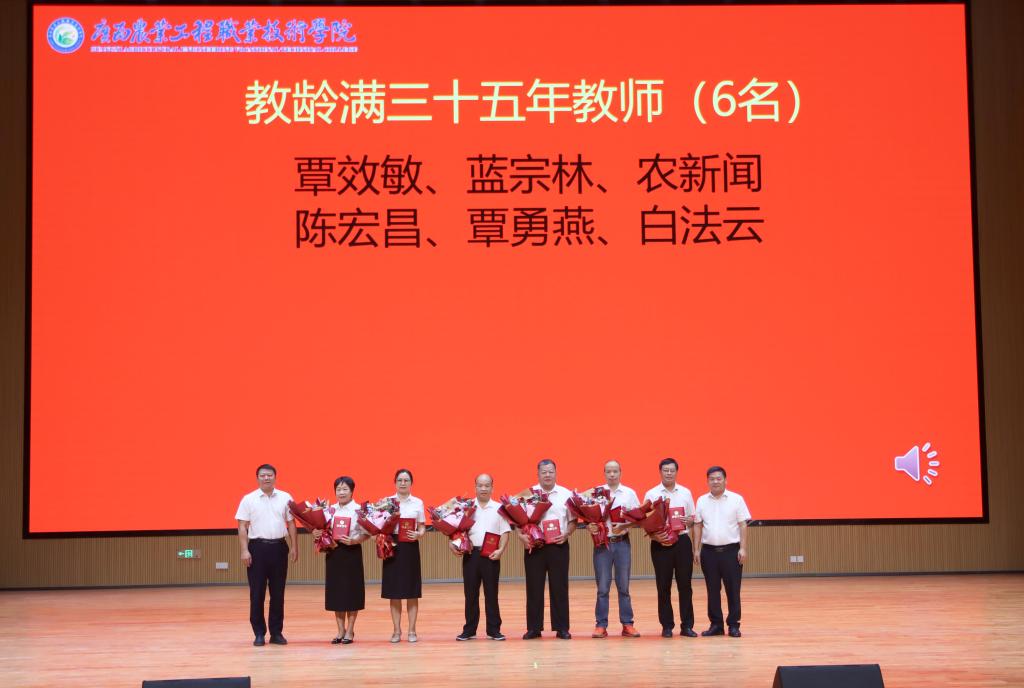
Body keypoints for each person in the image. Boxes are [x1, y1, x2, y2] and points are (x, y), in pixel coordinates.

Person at [235, 463, 298, 646]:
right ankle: (259, 633)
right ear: (257, 478)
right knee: (257, 593)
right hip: (257, 549)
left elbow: (291, 524)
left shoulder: (285, 497)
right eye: (263, 475)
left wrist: (294, 546)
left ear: (275, 477)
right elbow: (242, 526)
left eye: (269, 475)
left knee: (278, 593)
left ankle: (276, 633)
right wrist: (244, 550)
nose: (266, 478)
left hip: (279, 547)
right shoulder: (248, 499)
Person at [693, 465, 751, 638]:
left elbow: (742, 524)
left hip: (731, 551)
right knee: (712, 590)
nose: (715, 482)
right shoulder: (701, 500)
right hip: (708, 552)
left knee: (733, 589)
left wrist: (743, 548)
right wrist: (696, 550)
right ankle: (716, 624)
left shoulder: (736, 499)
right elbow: (697, 525)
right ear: (707, 481)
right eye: (712, 479)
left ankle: (733, 625)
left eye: (719, 478)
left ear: (725, 480)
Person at [520, 458, 575, 640]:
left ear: (556, 473)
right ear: (538, 474)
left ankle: (562, 628)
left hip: (558, 545)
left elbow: (573, 521)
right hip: (535, 546)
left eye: (551, 471)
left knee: (560, 587)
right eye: (544, 472)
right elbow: (518, 520)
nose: (547, 475)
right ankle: (534, 628)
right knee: (533, 587)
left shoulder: (566, 494)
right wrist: (522, 537)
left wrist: (566, 534)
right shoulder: (529, 494)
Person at [643, 457, 697, 638]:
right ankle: (667, 626)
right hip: (660, 543)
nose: (668, 473)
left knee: (685, 585)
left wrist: (689, 521)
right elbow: (645, 522)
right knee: (663, 586)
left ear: (676, 472)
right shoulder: (651, 494)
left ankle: (687, 625)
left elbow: (692, 518)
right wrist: (654, 536)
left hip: (682, 542)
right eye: (665, 470)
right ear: (660, 472)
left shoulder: (686, 492)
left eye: (672, 470)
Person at [453, 474, 511, 641]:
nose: (483, 488)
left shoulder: (499, 508)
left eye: (487, 485)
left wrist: (501, 550)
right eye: (480, 485)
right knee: (470, 594)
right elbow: (456, 531)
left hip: (491, 555)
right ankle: (469, 630)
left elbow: (505, 532)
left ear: (492, 487)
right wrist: (453, 545)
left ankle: (494, 630)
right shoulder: (467, 508)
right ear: (475, 487)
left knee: (491, 594)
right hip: (471, 555)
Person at [312, 476, 369, 644]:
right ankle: (340, 630)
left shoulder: (359, 510)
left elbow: (367, 533)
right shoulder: (329, 510)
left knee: (352, 592)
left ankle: (350, 630)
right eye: (338, 489)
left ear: (352, 491)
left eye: (345, 489)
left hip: (352, 552)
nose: (341, 492)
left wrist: (355, 540)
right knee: (336, 592)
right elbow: (321, 530)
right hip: (334, 553)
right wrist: (316, 533)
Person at [590, 460, 641, 638]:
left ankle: (627, 624)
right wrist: (590, 526)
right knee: (602, 587)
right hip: (602, 544)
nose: (612, 474)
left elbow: (638, 518)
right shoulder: (596, 493)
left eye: (615, 471)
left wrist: (625, 526)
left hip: (622, 543)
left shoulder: (629, 493)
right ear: (604, 473)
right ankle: (601, 625)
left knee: (623, 586)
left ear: (620, 472)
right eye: (608, 471)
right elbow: (589, 518)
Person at [381, 468, 426, 643]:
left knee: (412, 591)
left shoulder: (418, 502)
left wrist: (419, 534)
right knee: (394, 592)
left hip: (410, 546)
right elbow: (380, 524)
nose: (403, 483)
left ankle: (412, 631)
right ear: (395, 482)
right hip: (392, 546)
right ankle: (396, 631)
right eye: (400, 480)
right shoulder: (387, 502)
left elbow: (422, 526)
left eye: (406, 480)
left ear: (411, 483)